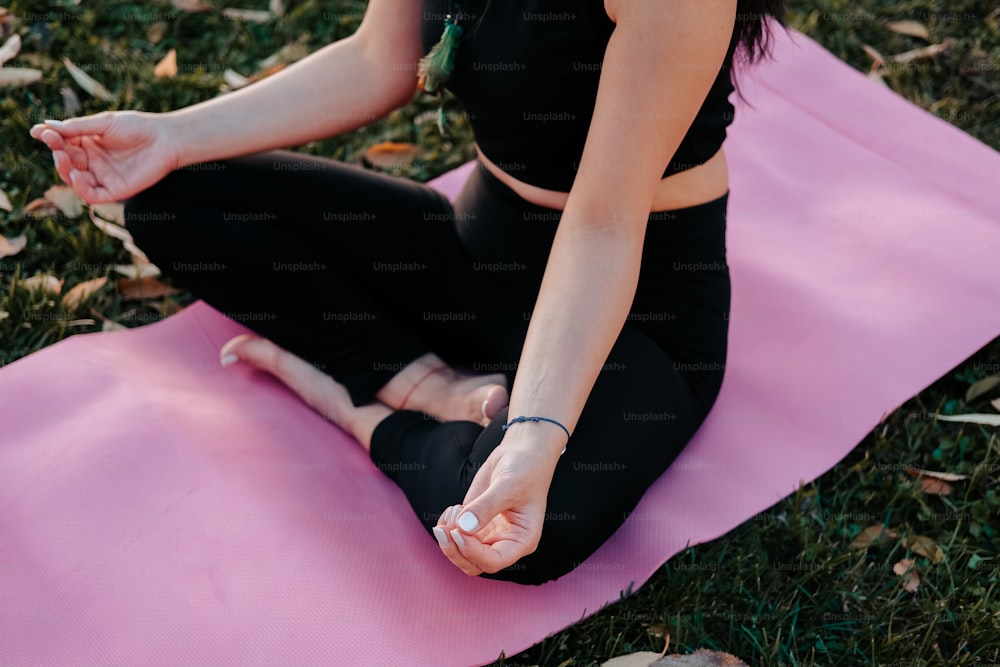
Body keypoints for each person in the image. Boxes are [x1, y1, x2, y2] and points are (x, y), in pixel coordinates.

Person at [29, 0, 785, 585]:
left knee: (514, 532)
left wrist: (532, 432)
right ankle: (424, 382)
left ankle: (356, 403)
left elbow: (600, 228)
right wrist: (174, 134)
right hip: (479, 253)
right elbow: (376, 59)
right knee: (176, 199)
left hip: (637, 310)